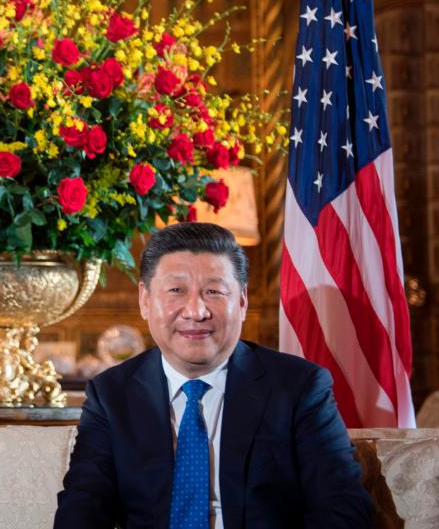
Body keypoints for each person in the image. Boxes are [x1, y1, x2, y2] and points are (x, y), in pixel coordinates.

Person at [54, 222, 372, 528]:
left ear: (242, 301)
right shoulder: (111, 394)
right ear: (145, 300)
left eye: (214, 292)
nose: (196, 311)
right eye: (176, 290)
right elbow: (83, 508)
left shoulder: (299, 388)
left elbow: (342, 509)